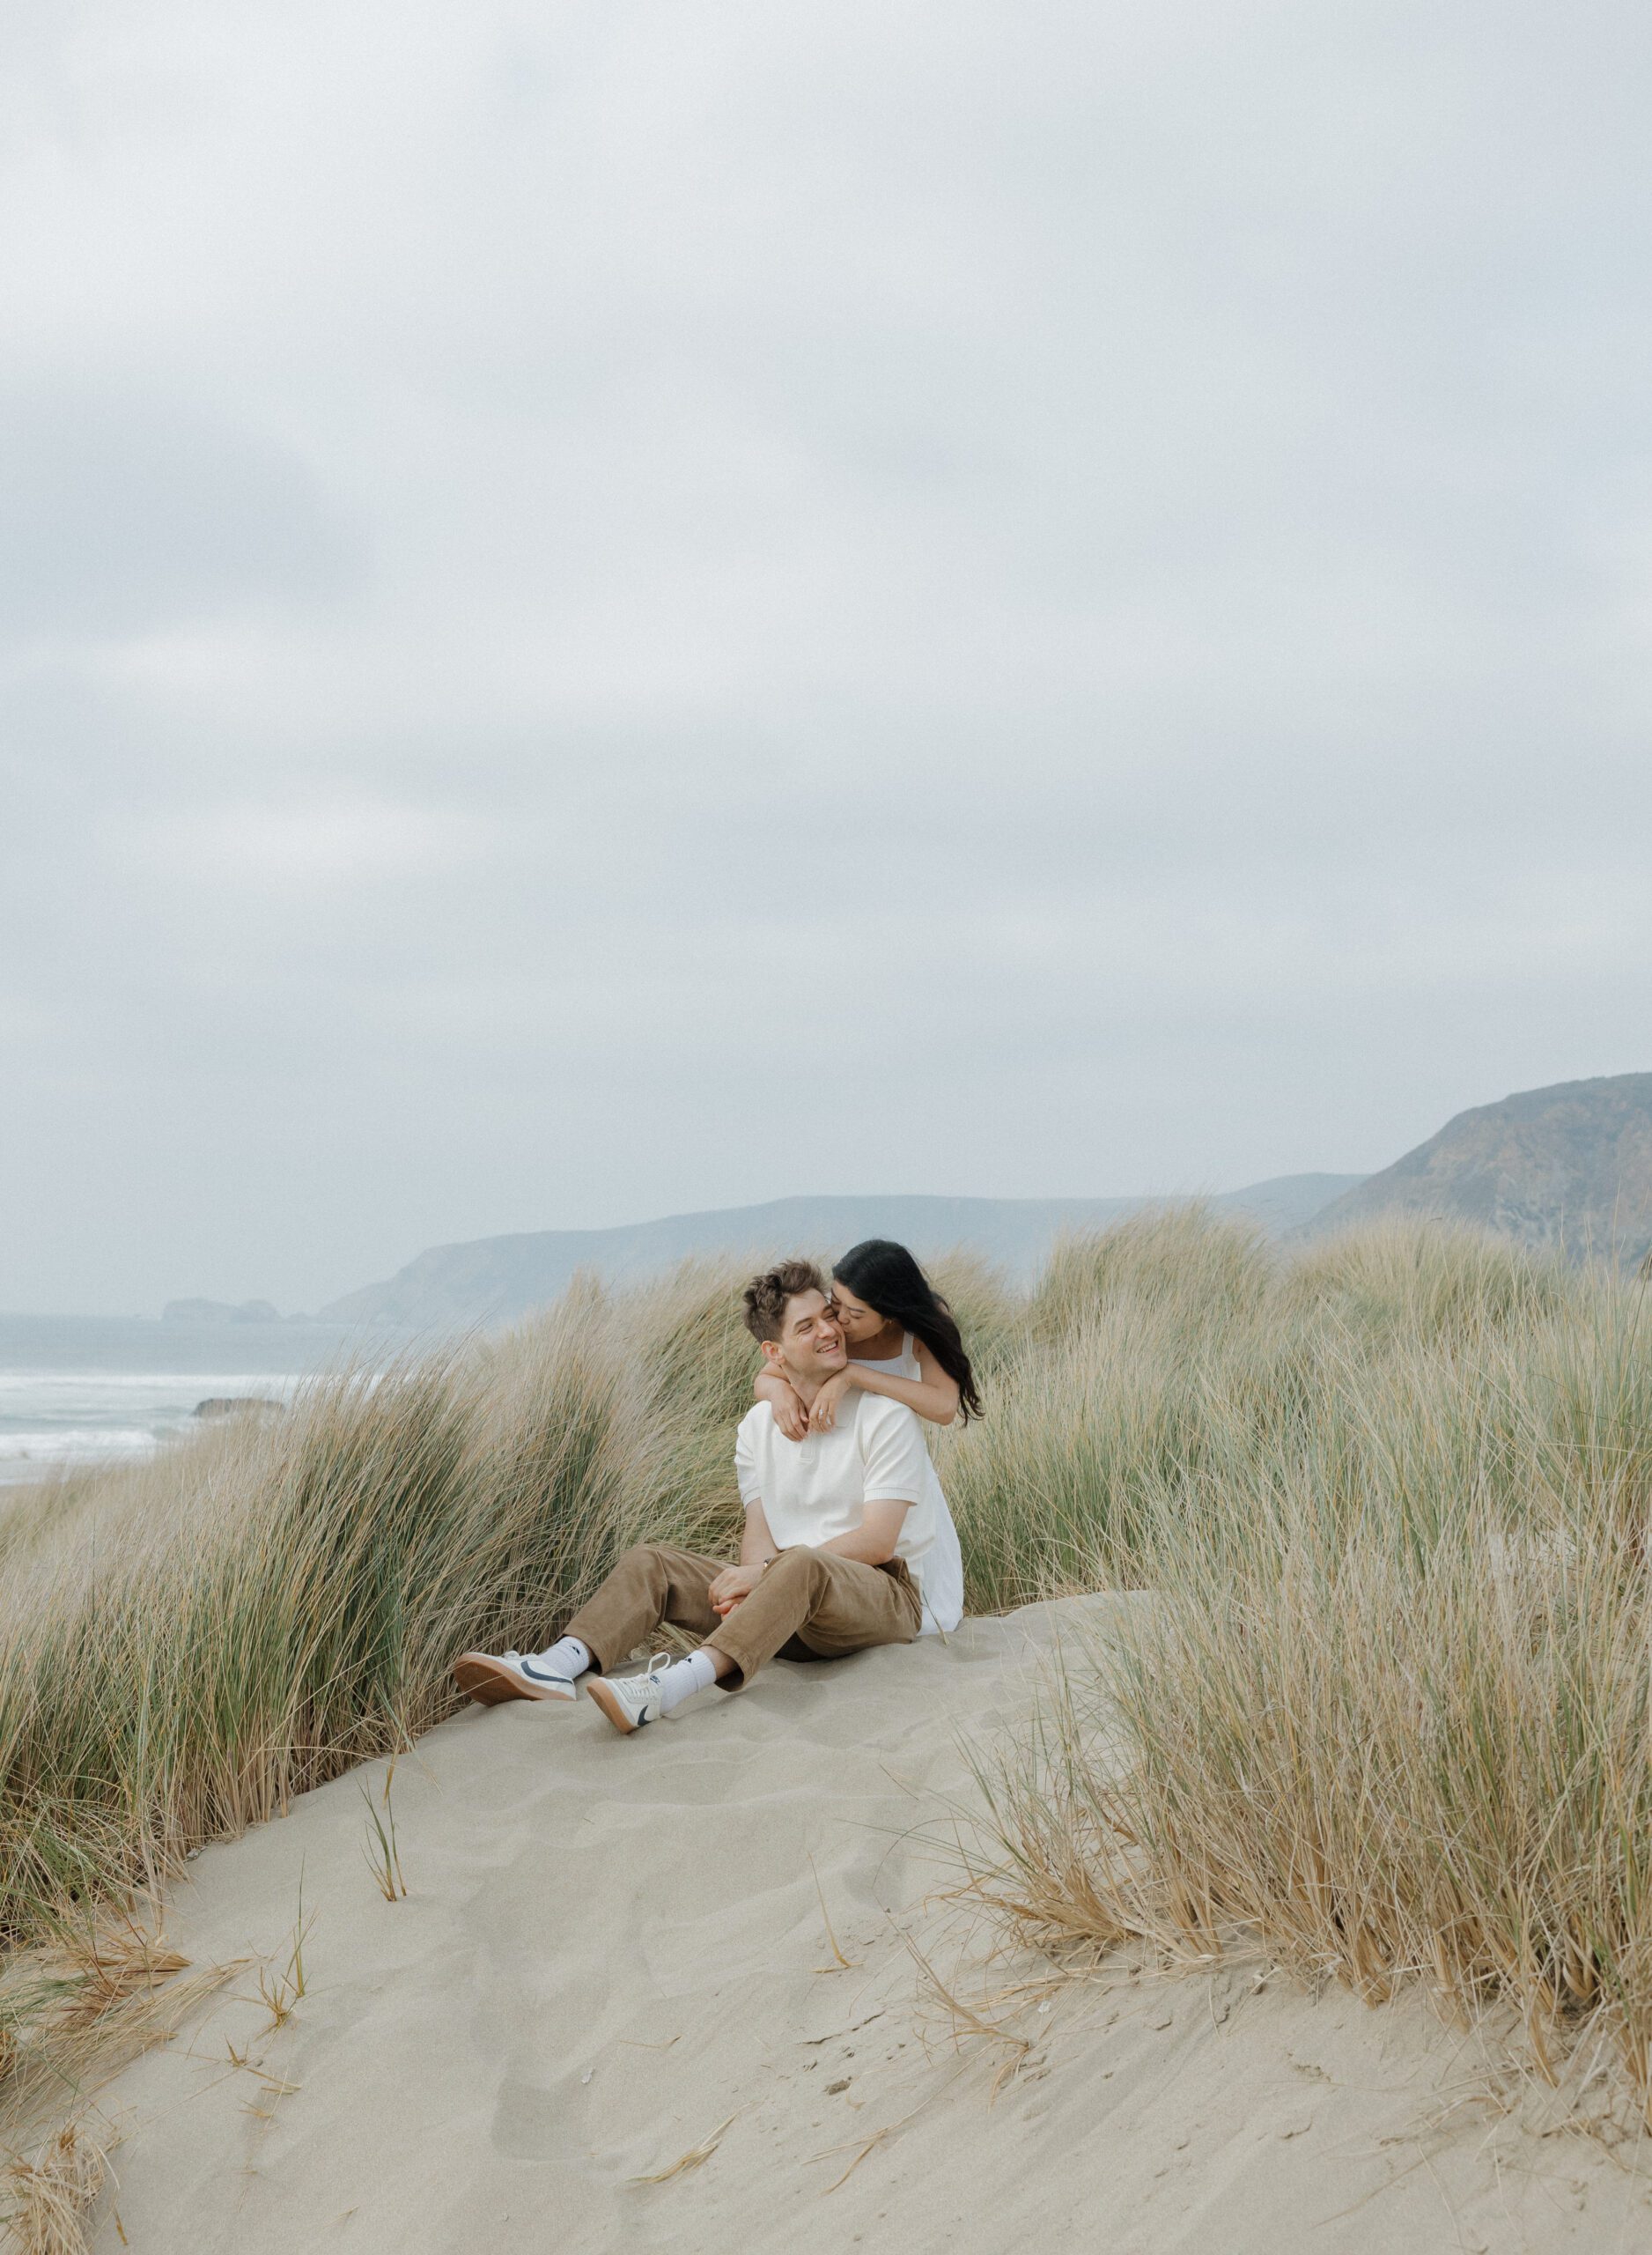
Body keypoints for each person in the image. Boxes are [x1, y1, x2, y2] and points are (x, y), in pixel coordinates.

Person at [451, 1258, 967, 1734]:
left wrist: (764, 1578)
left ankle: (664, 1688)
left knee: (800, 1564)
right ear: (773, 1353)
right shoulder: (756, 1428)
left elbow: (878, 1543)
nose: (831, 1331)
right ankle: (556, 1666)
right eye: (806, 1327)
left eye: (830, 1316)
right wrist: (752, 1589)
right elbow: (759, 1534)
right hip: (792, 1605)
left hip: (887, 1600)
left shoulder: (887, 1416)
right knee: (653, 1562)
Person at [756, 1236, 984, 1439]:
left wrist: (853, 1375)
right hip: (831, 1444)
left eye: (855, 1314)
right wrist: (779, 1392)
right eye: (834, 1302)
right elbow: (767, 1376)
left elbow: (944, 1408)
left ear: (891, 1315)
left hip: (889, 1442)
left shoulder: (921, 1329)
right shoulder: (826, 1324)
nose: (839, 1320)